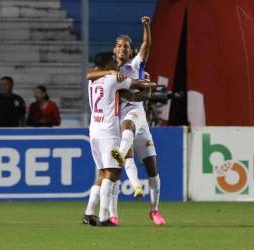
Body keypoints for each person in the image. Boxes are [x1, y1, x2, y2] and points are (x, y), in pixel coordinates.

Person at [87, 16, 166, 226]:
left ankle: (154, 210)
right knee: (114, 171)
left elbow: (147, 89)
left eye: (126, 47)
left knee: (151, 166)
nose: (123, 49)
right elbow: (91, 76)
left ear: (131, 51)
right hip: (121, 120)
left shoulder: (135, 65)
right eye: (119, 46)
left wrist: (146, 26)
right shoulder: (109, 72)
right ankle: (112, 214)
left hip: (139, 117)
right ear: (114, 49)